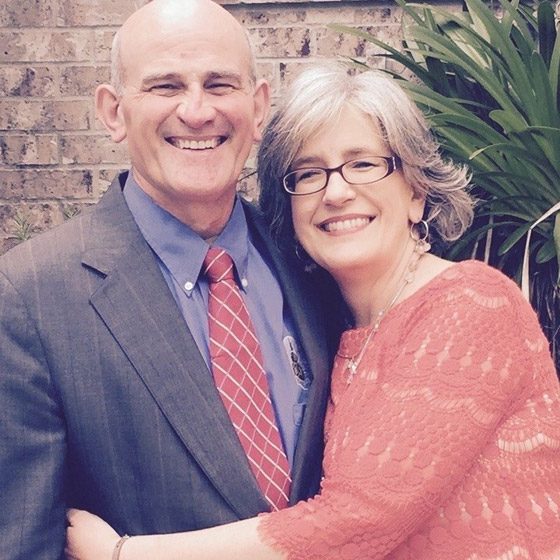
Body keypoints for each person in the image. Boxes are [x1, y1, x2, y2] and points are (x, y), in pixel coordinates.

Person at [66, 63, 560, 559]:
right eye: (308, 173)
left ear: (416, 191)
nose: (336, 192)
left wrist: (121, 554)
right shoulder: (324, 327)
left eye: (362, 164)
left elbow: (358, 520)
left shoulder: (472, 305)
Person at [0, 1, 334, 558]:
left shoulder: (312, 262)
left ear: (257, 109)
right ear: (114, 113)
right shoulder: (29, 299)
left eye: (219, 84)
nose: (197, 111)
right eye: (165, 86)